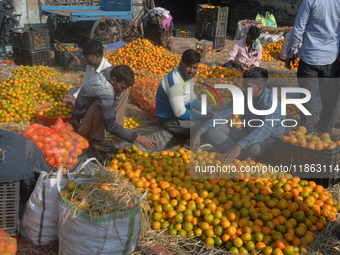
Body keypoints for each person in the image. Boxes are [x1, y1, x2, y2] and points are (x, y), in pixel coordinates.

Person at [192, 67, 285, 163]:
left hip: (267, 142)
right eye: (243, 84)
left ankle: (230, 152)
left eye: (247, 86)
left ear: (259, 88)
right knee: (212, 130)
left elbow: (265, 129)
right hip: (247, 136)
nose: (243, 89)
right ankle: (238, 155)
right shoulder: (243, 96)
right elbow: (223, 115)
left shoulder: (271, 103)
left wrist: (239, 145)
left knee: (254, 148)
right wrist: (199, 132)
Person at [70, 65, 156, 152]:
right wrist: (137, 137)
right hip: (81, 123)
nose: (124, 89)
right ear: (113, 80)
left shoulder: (110, 73)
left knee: (124, 93)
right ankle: (93, 138)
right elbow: (110, 125)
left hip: (90, 115)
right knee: (103, 103)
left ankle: (116, 129)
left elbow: (121, 91)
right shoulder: (105, 90)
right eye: (122, 86)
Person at [285, 0, 340, 134]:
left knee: (307, 98)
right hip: (331, 59)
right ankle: (324, 130)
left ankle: (307, 133)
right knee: (329, 99)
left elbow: (298, 28)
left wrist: (291, 53)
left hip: (309, 57)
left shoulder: (310, 1)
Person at [155, 49, 214, 136]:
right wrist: (203, 117)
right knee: (206, 127)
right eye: (188, 66)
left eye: (195, 67)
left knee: (209, 123)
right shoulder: (175, 83)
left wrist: (209, 112)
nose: (191, 71)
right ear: (181, 64)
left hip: (179, 113)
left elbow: (192, 98)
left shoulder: (188, 76)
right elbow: (180, 113)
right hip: (170, 120)